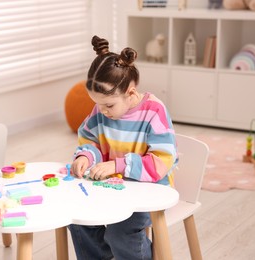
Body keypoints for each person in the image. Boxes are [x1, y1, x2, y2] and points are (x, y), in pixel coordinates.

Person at [68, 35, 178, 260]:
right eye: (97, 104)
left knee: (120, 233)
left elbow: (161, 161)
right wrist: (86, 156)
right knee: (78, 220)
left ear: (130, 93)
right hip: (109, 187)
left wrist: (116, 165)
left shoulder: (154, 111)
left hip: (149, 191)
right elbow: (90, 139)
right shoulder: (101, 111)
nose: (102, 111)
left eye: (108, 105)